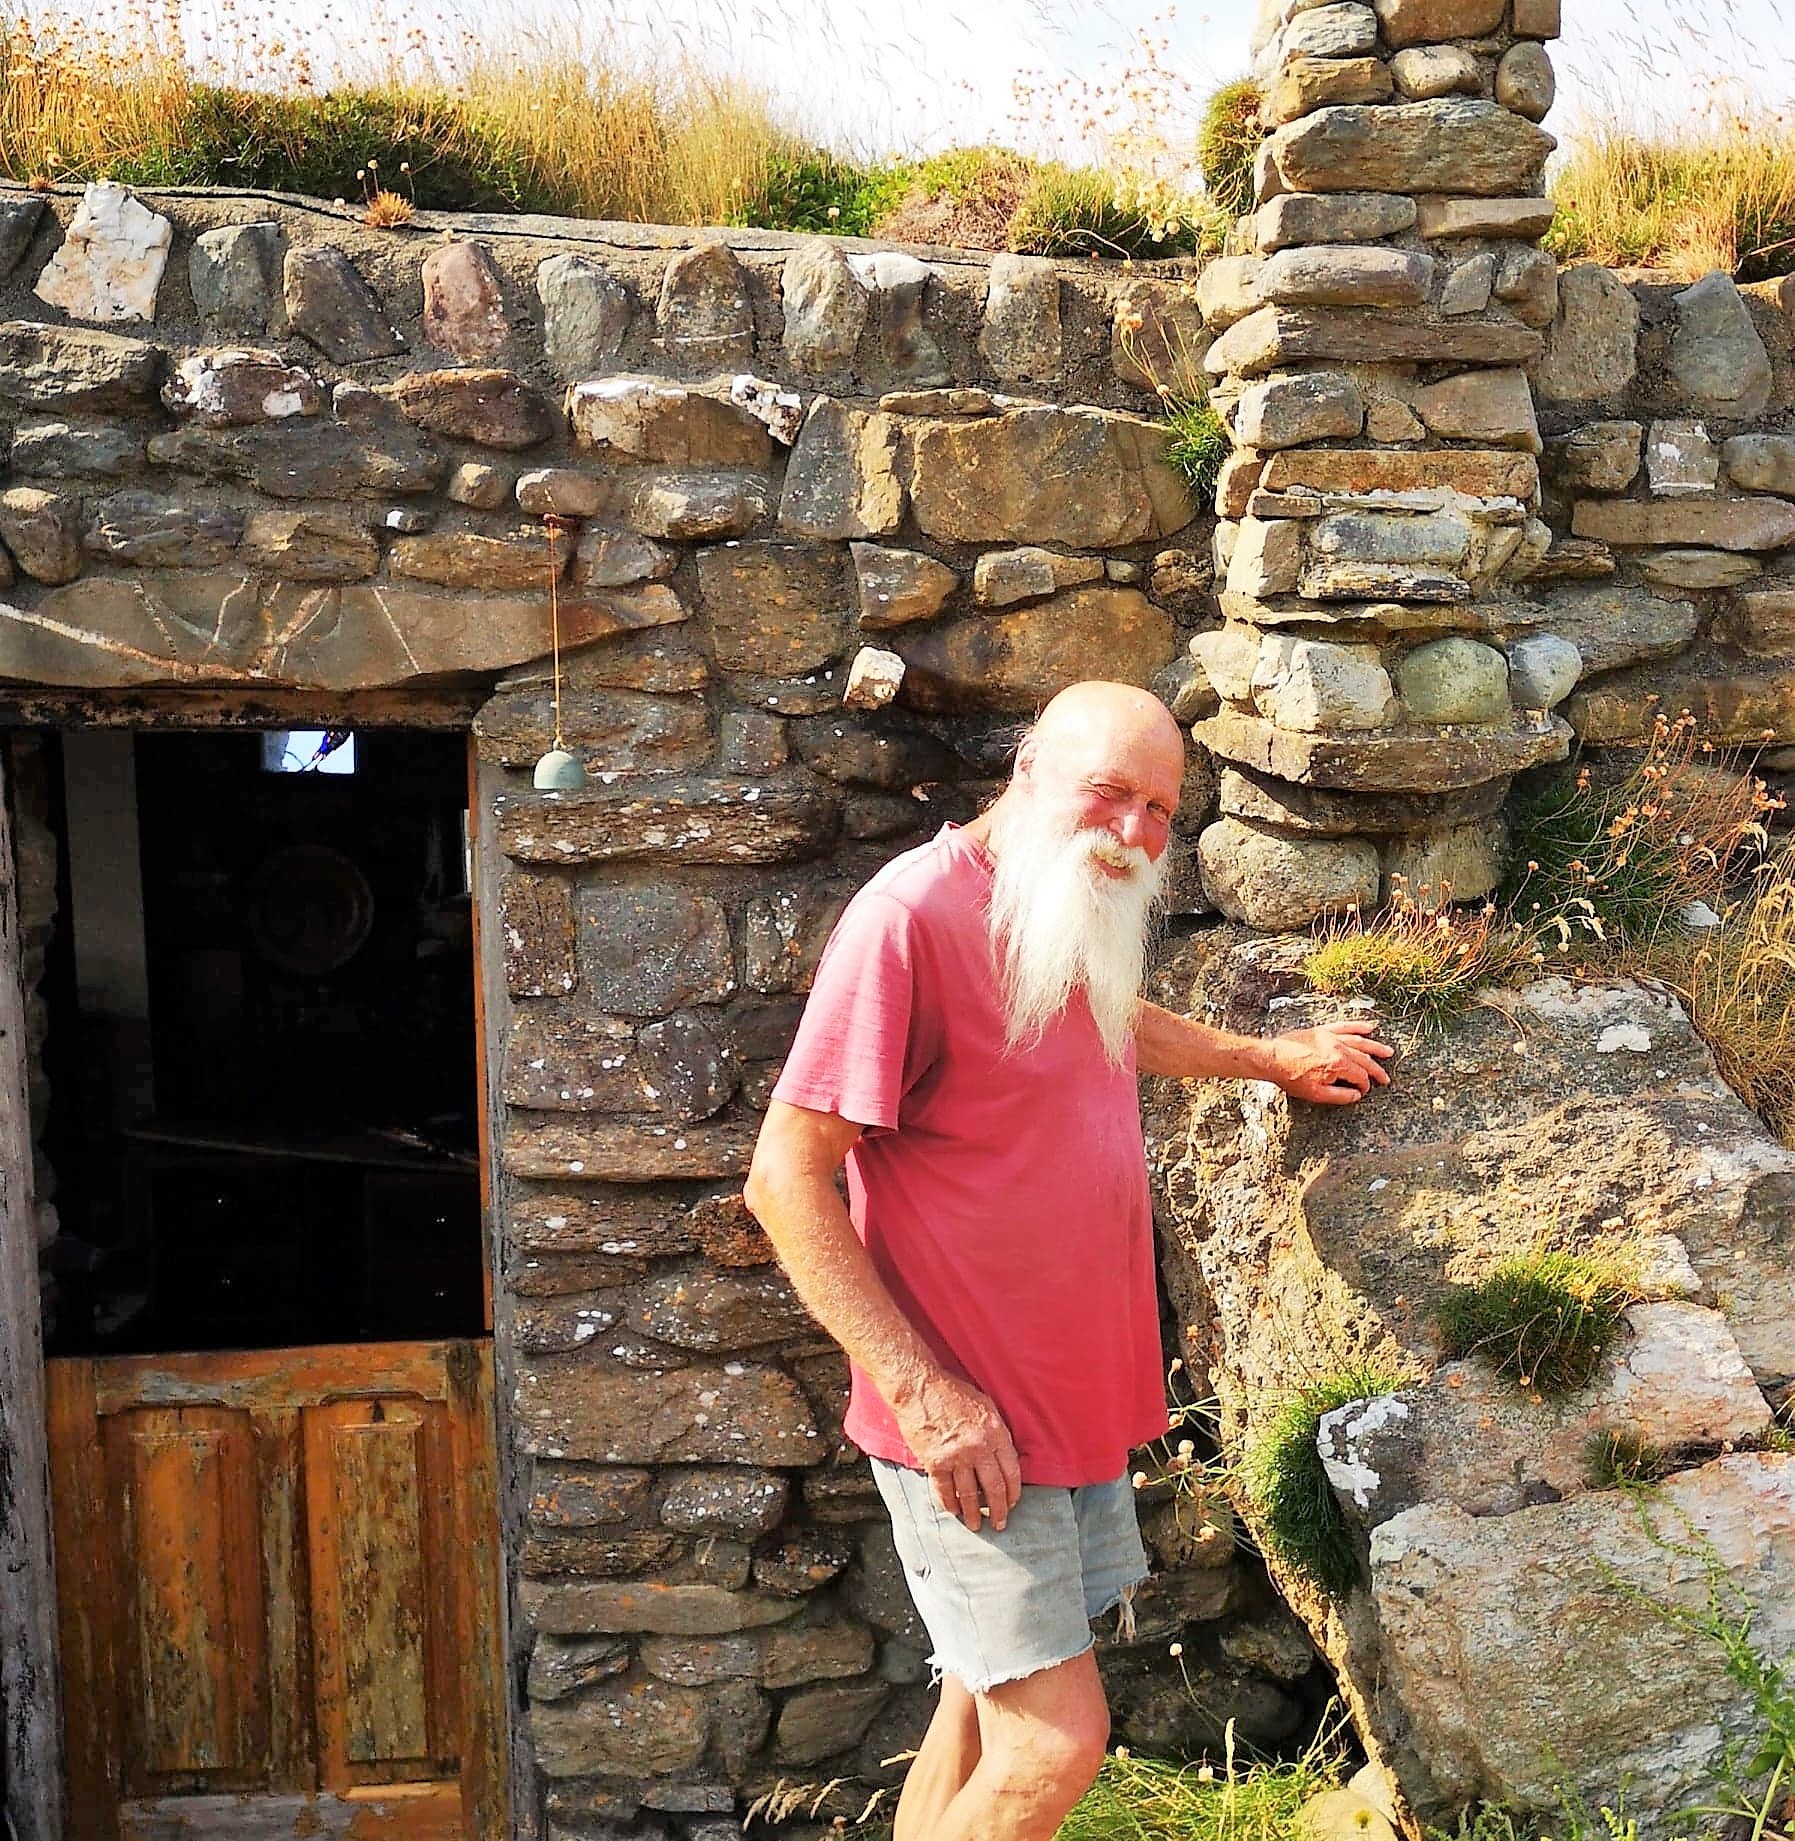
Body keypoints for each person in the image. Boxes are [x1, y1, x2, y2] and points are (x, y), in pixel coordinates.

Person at [743, 681, 1393, 1841]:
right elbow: (783, 1175)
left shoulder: (1050, 899)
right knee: (1054, 1741)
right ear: (1031, 766)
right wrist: (928, 1394)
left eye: (1160, 806)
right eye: (1110, 792)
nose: (1138, 831)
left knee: (980, 1703)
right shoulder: (910, 916)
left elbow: (1108, 1014)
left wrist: (1266, 1056)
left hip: (1060, 1408)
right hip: (971, 1423)